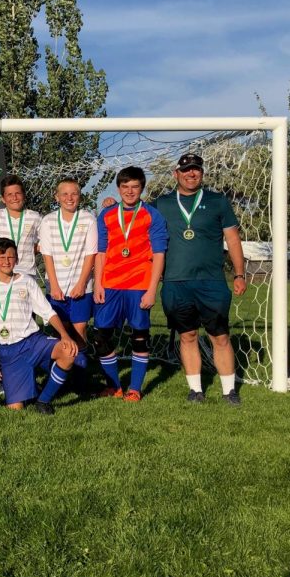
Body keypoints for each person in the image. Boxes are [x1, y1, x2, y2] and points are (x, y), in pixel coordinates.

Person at [154, 153, 247, 405]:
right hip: (175, 282)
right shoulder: (162, 204)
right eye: (186, 170)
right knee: (188, 336)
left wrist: (239, 273)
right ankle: (195, 390)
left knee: (220, 336)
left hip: (212, 282)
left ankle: (230, 391)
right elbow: (135, 215)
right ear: (176, 174)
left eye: (196, 170)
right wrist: (111, 205)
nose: (191, 174)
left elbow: (233, 239)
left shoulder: (217, 201)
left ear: (202, 173)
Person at [0, 238, 79, 414]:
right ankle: (29, 384)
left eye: (11, 257)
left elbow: (48, 311)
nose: (7, 261)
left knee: (69, 352)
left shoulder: (27, 281)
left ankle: (43, 400)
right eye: (2, 257)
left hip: (33, 341)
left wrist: (65, 335)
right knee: (15, 409)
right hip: (8, 352)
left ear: (17, 259)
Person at [93, 166, 169, 402]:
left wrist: (151, 289)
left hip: (139, 286)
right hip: (111, 284)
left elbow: (159, 254)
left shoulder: (152, 215)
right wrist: (98, 284)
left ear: (142, 188)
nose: (129, 191)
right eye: (125, 186)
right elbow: (101, 251)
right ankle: (114, 386)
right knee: (101, 337)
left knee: (139, 337)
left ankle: (135, 388)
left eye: (135, 186)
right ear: (118, 188)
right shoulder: (106, 214)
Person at [39, 178, 97, 363]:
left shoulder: (88, 218)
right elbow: (47, 255)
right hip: (56, 288)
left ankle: (81, 380)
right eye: (65, 194)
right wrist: (54, 286)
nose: (69, 198)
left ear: (80, 197)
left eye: (74, 193)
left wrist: (81, 283)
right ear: (57, 197)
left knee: (79, 332)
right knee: (62, 333)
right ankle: (63, 376)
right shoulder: (48, 221)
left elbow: (91, 254)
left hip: (81, 287)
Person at [0, 174, 42, 278]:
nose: (14, 198)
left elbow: (43, 244)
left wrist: (30, 248)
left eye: (17, 193)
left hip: (27, 273)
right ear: (3, 198)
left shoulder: (35, 217)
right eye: (9, 194)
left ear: (24, 195)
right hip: (2, 274)